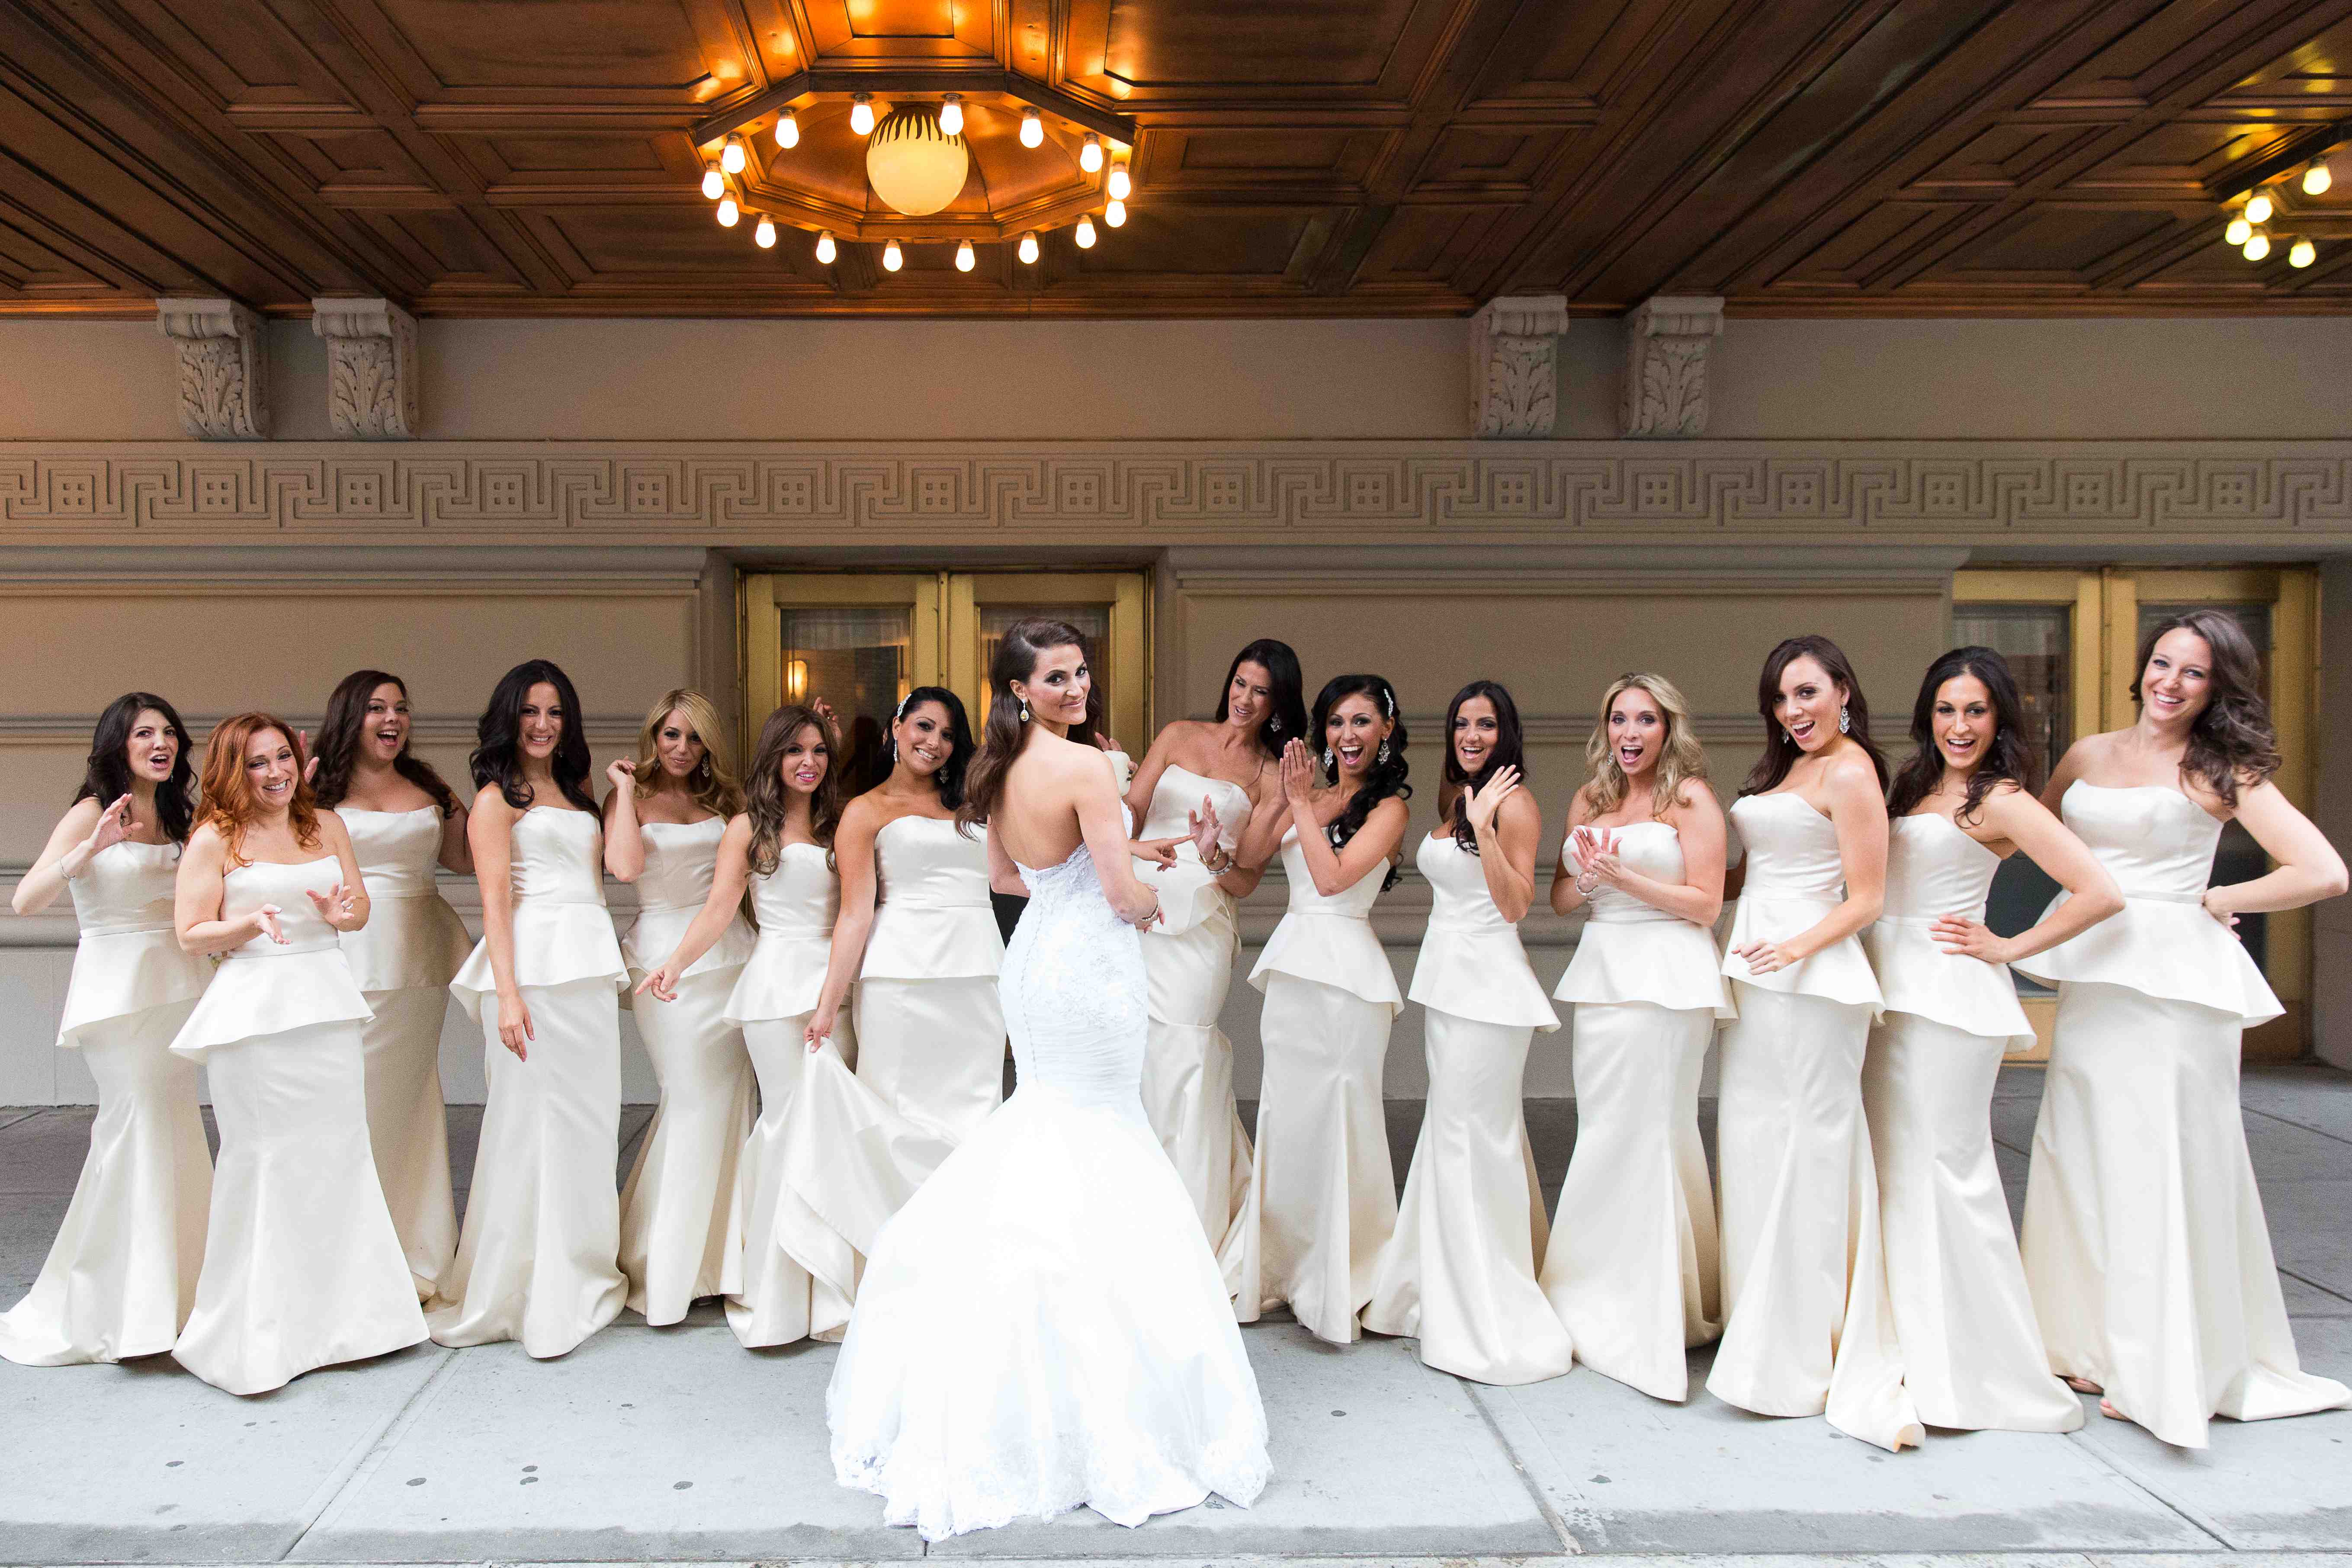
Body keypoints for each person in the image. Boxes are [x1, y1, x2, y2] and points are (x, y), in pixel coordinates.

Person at [825, 618, 1268, 1539]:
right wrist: (1152, 899)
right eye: (1058, 678)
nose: (1077, 688)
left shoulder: (995, 770)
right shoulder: (1085, 768)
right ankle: (1097, 1393)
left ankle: (1016, 1370)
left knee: (1042, 1130)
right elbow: (1118, 897)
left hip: (1033, 965)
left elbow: (1015, 876)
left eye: (1081, 673)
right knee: (1100, 1140)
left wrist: (1114, 861)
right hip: (1093, 973)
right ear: (1021, 688)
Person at [2016, 609, 2351, 1446]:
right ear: (2142, 667)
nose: (2169, 681)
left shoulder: (2222, 767)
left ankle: (2157, 1361)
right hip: (2099, 975)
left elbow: (2321, 872)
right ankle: (2082, 1344)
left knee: (2157, 1161)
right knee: (2081, 1149)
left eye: (2192, 672)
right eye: (2162, 663)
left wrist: (2220, 899)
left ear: (2217, 686)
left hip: (2175, 988)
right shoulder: (2088, 754)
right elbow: (2036, 839)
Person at [1862, 646, 2118, 1434]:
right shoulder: (1911, 784)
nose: (1959, 725)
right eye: (1946, 708)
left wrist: (2008, 946)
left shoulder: (2000, 798)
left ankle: (1982, 1357)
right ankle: (1908, 1335)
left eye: (1975, 710)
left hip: (1949, 996)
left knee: (1950, 1167)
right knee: (1896, 1167)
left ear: (1998, 716)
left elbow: (2099, 890)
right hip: (1887, 989)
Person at [167, 714, 425, 1394]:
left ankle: (350, 1324)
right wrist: (247, 923)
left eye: (283, 756)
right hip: (255, 1013)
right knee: (266, 1159)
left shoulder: (327, 826)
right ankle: (257, 1333)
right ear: (233, 770)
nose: (276, 771)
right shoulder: (213, 839)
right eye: (258, 762)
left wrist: (345, 915)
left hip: (326, 1001)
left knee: (338, 1151)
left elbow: (360, 905)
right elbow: (191, 933)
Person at [1710, 635, 1918, 1452]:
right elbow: (1753, 872)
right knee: (1757, 1140)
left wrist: (1796, 948)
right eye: (1781, 698)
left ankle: (1803, 1344)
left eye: (1806, 694)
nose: (1793, 711)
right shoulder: (1778, 773)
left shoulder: (1852, 770)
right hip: (1757, 973)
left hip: (1815, 981)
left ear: (1842, 691)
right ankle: (1760, 1319)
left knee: (1811, 1148)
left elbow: (1865, 896)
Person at [1363, 680, 1569, 1384]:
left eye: (1484, 725)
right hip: (1447, 985)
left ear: (1505, 733)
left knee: (1472, 1139)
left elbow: (1515, 905)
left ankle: (1483, 1303)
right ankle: (1433, 1281)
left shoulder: (1511, 803)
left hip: (1489, 991)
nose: (1471, 735)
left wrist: (1484, 828)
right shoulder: (1458, 798)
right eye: (1461, 724)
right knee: (1450, 1133)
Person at [0, 693, 213, 1367]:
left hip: (177, 986)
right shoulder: (92, 811)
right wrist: (85, 854)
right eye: (143, 732)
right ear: (117, 744)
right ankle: (129, 1312)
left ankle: (180, 1298)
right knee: (138, 1127)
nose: (160, 741)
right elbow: (25, 900)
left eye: (168, 732)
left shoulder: (181, 813)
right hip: (117, 996)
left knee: (174, 1131)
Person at [1539, 673, 1731, 1401]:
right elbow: (1560, 896)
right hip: (1605, 975)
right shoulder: (1590, 799)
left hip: (1668, 975)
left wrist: (1626, 875)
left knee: (1655, 1129)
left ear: (1667, 728)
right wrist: (1591, 880)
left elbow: (1706, 902)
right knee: (1606, 1128)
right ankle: (1593, 1291)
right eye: (1618, 718)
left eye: (1644, 720)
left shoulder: (1690, 799)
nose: (1629, 732)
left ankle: (1659, 1307)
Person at [429, 659, 629, 1359]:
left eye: (555, 713)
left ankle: (578, 1268)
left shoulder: (577, 796)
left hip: (585, 972)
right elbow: (493, 903)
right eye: (530, 713)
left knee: (589, 1122)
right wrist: (506, 995)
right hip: (534, 974)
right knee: (529, 1126)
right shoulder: (495, 798)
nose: (543, 725)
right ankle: (526, 1285)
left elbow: (614, 874)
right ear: (509, 720)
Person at [636, 701, 850, 1347]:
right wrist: (673, 964)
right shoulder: (745, 829)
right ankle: (778, 1286)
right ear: (773, 758)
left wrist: (836, 997)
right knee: (785, 1124)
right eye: (794, 751)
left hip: (833, 990)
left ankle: (832, 1281)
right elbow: (718, 908)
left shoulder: (844, 823)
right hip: (772, 989)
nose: (807, 762)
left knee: (833, 1127)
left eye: (817, 751)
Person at [1230, 674, 1410, 1342]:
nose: (1347, 735)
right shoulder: (1310, 792)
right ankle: (1281, 1267)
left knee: (1341, 1117)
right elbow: (1248, 862)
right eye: (1336, 722)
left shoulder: (1388, 807)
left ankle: (1341, 1276)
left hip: (1346, 976)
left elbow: (1333, 881)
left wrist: (1301, 803)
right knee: (1290, 1115)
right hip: (1293, 969)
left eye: (1362, 721)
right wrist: (1230, 834)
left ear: (1386, 730)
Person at [1120, 639, 1302, 1265]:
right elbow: (1130, 813)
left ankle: (1189, 1226)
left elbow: (1247, 875)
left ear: (1277, 704)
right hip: (1136, 908)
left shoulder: (1275, 776)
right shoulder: (1176, 734)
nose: (1244, 698)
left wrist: (1212, 851)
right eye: (1240, 682)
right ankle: (1127, 1210)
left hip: (1201, 920)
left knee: (1184, 1050)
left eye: (1260, 690)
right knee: (1131, 1052)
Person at [310, 668, 472, 1299]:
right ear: (351, 716)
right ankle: (345, 1251)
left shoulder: (430, 786)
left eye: (401, 708)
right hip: (351, 955)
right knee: (353, 1103)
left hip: (421, 958)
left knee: (410, 1099)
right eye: (377, 708)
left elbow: (461, 859)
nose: (392, 719)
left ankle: (416, 1250)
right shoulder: (319, 786)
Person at [606, 689, 756, 1325]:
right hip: (663, 962)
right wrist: (618, 793)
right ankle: (665, 1262)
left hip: (732, 958)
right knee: (690, 1100)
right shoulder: (632, 797)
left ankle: (723, 1262)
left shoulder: (726, 801)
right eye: (670, 735)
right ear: (653, 737)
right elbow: (622, 866)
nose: (682, 748)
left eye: (693, 738)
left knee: (730, 1106)